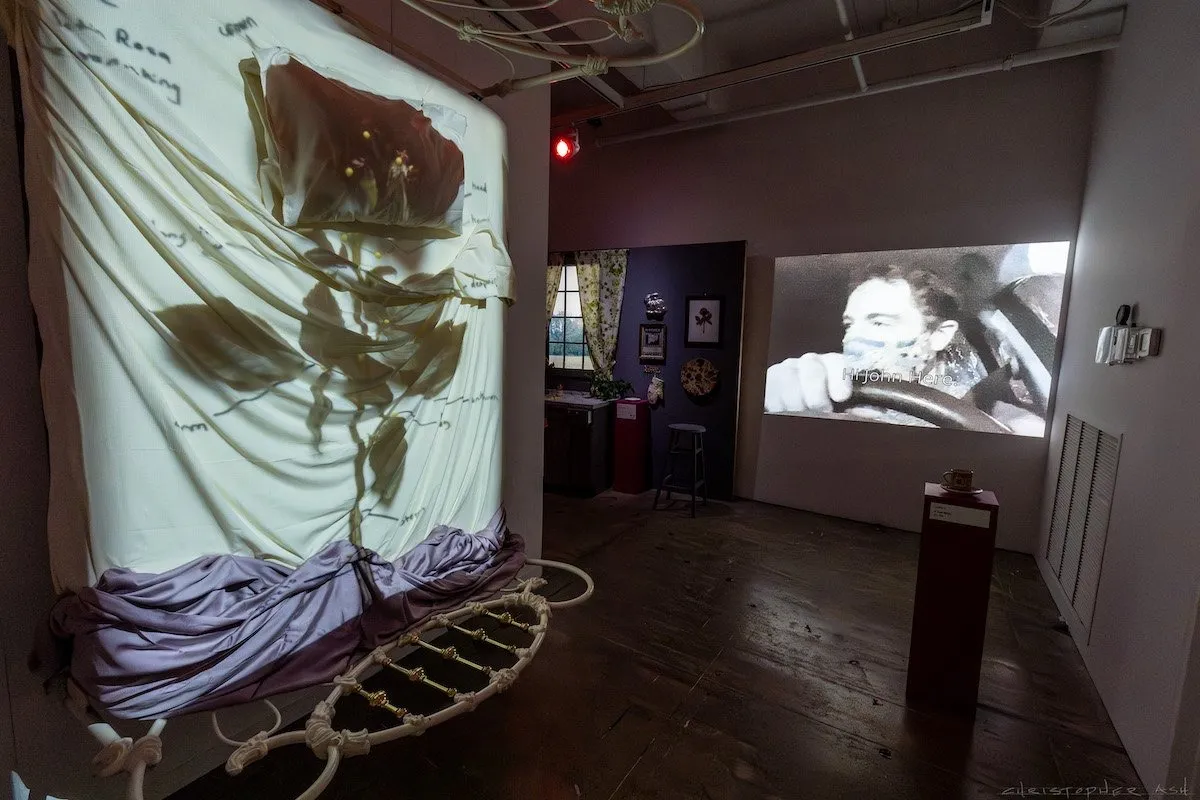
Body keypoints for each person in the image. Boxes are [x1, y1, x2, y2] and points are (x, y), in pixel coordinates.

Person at [764, 263, 1045, 435]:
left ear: (938, 336)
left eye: (879, 322)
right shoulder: (835, 404)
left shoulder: (991, 409)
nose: (852, 338)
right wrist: (775, 394)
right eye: (849, 324)